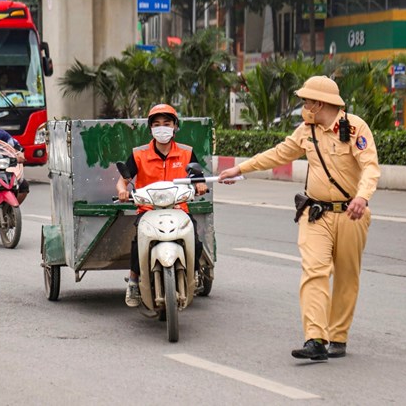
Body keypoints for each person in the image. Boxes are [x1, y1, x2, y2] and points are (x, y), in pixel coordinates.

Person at [218, 75, 380, 361]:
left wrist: (362, 196)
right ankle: (316, 338)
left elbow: (370, 167)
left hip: (351, 215)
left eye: (307, 101)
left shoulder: (356, 128)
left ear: (319, 103)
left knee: (346, 277)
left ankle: (338, 337)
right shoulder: (306, 131)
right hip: (316, 214)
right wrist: (241, 168)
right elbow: (279, 154)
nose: (304, 105)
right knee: (314, 272)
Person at [116, 104, 208, 307]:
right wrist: (122, 190)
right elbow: (124, 179)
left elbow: (198, 177)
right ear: (150, 129)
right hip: (149, 210)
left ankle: (193, 274)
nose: (162, 128)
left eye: (167, 123)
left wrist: (200, 185)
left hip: (178, 209)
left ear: (175, 126)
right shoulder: (139, 154)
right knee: (137, 244)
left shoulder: (186, 153)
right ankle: (133, 282)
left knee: (195, 241)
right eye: (157, 124)